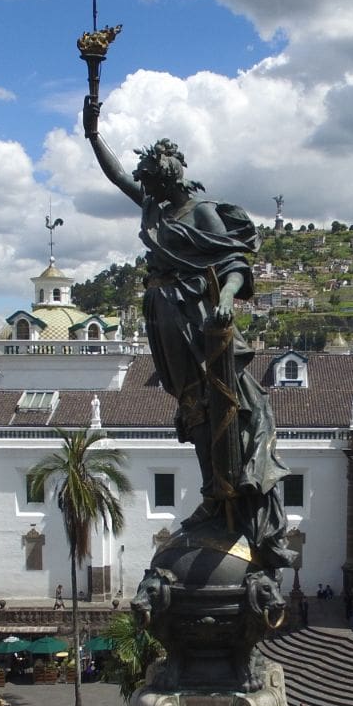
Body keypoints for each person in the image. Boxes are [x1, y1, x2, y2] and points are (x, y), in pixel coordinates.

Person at [85, 101, 296, 572]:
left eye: (159, 182)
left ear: (175, 176)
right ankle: (212, 493)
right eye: (153, 184)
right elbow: (117, 176)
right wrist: (93, 133)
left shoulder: (202, 214)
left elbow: (235, 265)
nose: (154, 190)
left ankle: (226, 494)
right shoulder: (156, 208)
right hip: (163, 315)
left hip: (198, 316)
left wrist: (226, 299)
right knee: (192, 407)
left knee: (218, 402)